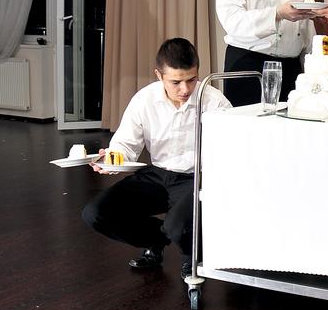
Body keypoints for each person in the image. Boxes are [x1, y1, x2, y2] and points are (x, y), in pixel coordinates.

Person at [82, 38, 231, 279]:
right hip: (158, 175)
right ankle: (156, 239)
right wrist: (111, 160)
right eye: (176, 82)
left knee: (178, 227)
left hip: (196, 178)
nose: (185, 89)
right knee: (95, 213)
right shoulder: (144, 99)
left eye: (191, 79)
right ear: (159, 75)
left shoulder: (215, 102)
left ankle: (192, 256)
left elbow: (230, 153)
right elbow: (125, 144)